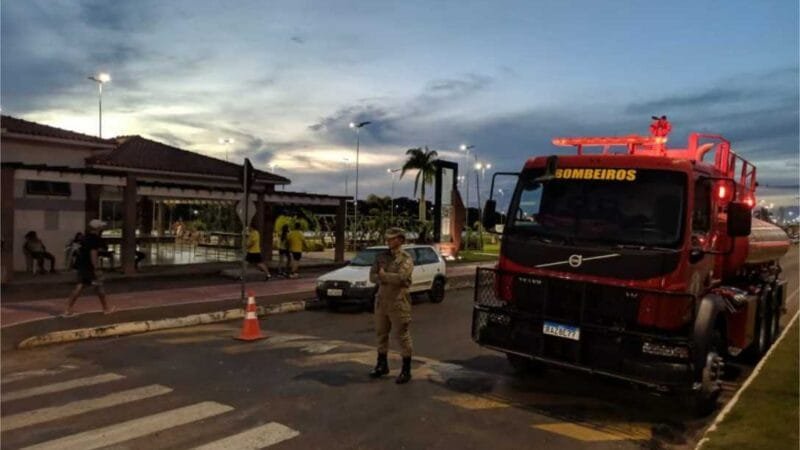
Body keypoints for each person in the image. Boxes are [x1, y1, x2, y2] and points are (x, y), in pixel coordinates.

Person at [368, 227, 415, 384]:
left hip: (398, 302)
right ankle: (382, 365)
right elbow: (372, 276)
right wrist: (385, 277)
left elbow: (402, 277)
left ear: (401, 240)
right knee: (381, 334)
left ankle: (406, 370)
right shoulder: (381, 256)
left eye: (392, 238)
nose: (388, 241)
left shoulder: (406, 258)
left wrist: (383, 276)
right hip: (382, 301)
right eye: (387, 238)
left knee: (402, 336)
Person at [63, 219, 115, 316]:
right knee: (97, 286)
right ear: (98, 228)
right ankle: (106, 309)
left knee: (83, 286)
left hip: (82, 265)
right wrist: (96, 268)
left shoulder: (84, 237)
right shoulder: (95, 239)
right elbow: (93, 254)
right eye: (101, 226)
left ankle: (68, 309)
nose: (102, 228)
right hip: (89, 266)